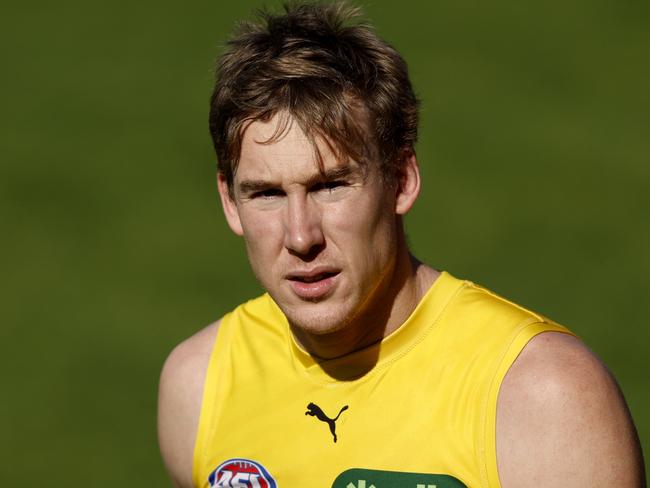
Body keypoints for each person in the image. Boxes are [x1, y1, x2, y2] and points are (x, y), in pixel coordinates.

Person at [157, 3, 645, 487]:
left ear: (402, 180)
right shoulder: (198, 387)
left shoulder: (542, 399)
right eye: (266, 194)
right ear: (229, 201)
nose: (301, 236)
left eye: (330, 186)